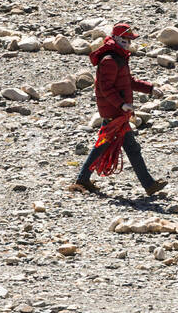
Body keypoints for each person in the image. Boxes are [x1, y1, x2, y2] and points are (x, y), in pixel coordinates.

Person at [70, 22, 167, 197]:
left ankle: (83, 178)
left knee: (112, 145)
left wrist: (150, 88)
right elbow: (105, 88)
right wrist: (122, 104)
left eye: (129, 41)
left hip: (116, 110)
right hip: (114, 111)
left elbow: (128, 81)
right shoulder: (110, 60)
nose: (127, 44)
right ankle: (149, 185)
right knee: (126, 147)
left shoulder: (118, 57)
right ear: (115, 38)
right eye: (124, 40)